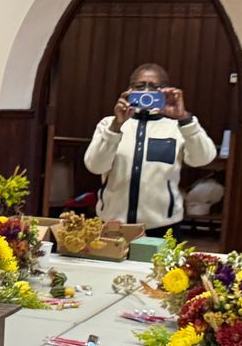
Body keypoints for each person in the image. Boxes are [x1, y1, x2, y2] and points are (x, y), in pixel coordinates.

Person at [82, 61, 218, 229]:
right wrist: (116, 127)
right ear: (128, 90)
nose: (146, 92)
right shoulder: (109, 125)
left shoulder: (177, 127)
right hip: (113, 224)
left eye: (154, 87)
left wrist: (184, 118)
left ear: (166, 92)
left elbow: (203, 159)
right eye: (139, 86)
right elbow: (95, 166)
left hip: (162, 226)